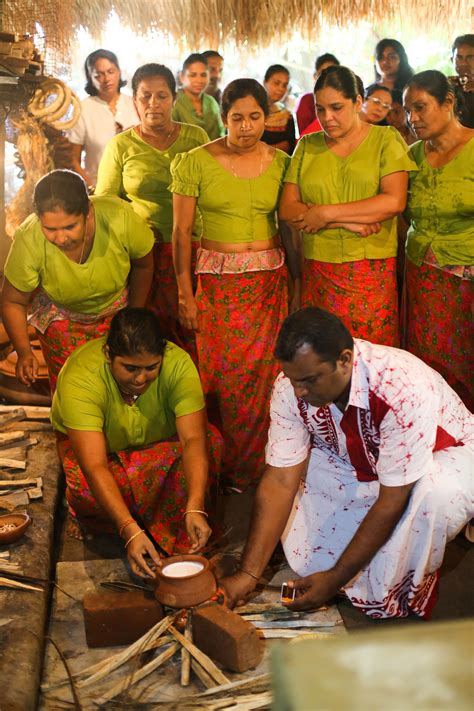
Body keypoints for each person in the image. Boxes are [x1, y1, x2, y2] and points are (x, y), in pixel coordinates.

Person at [221, 307, 473, 619]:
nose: (299, 391)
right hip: (358, 454)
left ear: (344, 360)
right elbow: (280, 481)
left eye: (310, 380)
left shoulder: (401, 386)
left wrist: (335, 580)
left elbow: (391, 501)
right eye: (293, 378)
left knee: (433, 496)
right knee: (309, 559)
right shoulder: (292, 387)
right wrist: (248, 575)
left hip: (441, 455)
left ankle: (402, 579)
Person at [170, 78, 301, 491]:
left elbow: (287, 228)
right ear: (223, 118)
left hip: (268, 285)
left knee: (268, 377)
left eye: (255, 117)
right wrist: (184, 293)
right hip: (219, 288)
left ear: (268, 116)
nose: (246, 127)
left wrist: (297, 286)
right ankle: (229, 470)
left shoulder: (282, 163)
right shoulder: (194, 161)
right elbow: (180, 232)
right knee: (226, 379)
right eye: (237, 118)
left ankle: (271, 467)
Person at [51, 308, 223, 576]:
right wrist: (129, 531)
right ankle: (127, 525)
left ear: (162, 356)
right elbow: (95, 465)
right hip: (105, 458)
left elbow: (193, 440)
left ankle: (181, 522)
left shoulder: (178, 365)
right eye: (130, 368)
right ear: (109, 356)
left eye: (151, 368)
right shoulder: (82, 376)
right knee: (85, 485)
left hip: (159, 448)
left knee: (211, 443)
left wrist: (195, 504)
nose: (141, 379)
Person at [280, 66, 417, 346]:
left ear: (357, 102)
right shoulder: (308, 145)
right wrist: (347, 221)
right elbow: (288, 209)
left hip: (370, 271)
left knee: (371, 357)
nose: (327, 118)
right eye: (320, 109)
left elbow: (394, 201)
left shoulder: (385, 140)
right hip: (319, 270)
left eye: (336, 107)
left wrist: (325, 213)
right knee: (325, 358)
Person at [1, 170, 154, 392]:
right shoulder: (29, 237)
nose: (61, 238)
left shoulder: (118, 216)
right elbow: (12, 301)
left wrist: (133, 317)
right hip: (62, 319)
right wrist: (24, 352)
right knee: (73, 392)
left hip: (117, 314)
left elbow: (144, 265)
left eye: (70, 227)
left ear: (88, 213)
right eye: (50, 229)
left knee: (117, 390)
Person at [95, 63, 209, 357]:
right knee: (147, 336)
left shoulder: (196, 139)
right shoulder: (120, 146)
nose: (153, 104)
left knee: (194, 333)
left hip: (193, 251)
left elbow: (213, 193)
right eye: (145, 96)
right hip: (144, 256)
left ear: (174, 99)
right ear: (134, 100)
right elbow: (106, 204)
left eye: (162, 96)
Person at [403, 70, 474, 410]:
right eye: (407, 110)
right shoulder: (413, 155)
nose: (412, 118)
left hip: (467, 287)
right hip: (422, 283)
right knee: (429, 372)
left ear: (448, 103)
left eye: (420, 107)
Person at [67, 49, 137, 187]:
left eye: (111, 71)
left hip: (137, 188)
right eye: (98, 75)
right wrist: (91, 189)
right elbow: (72, 160)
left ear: (119, 72)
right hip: (99, 190)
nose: (106, 79)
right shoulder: (82, 109)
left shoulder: (135, 104)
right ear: (90, 79)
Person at [172, 53, 225, 140]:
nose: (199, 80)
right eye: (193, 75)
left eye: (203, 75)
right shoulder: (173, 102)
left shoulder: (211, 102)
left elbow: (220, 135)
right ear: (182, 77)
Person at [296, 53, 340, 134]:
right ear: (315, 76)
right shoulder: (306, 101)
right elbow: (304, 138)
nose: (327, 78)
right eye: (323, 74)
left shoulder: (344, 101)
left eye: (332, 74)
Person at [262, 64, 296, 154]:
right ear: (265, 82)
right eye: (276, 83)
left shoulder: (286, 116)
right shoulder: (251, 112)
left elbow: (290, 146)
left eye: (284, 85)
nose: (281, 89)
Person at [450, 34, 474, 128]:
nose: (464, 63)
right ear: (452, 60)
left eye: (470, 57)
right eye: (459, 58)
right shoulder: (447, 86)